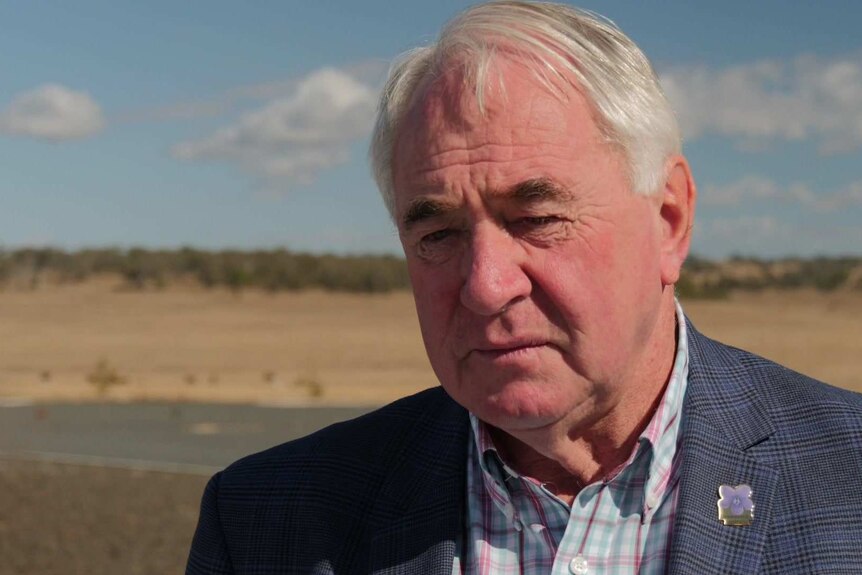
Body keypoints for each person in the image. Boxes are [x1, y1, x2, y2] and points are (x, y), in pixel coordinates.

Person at [186, 2, 862, 573]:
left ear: (668, 220)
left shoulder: (847, 480)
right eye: (438, 234)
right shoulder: (265, 523)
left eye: (537, 219)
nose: (485, 285)